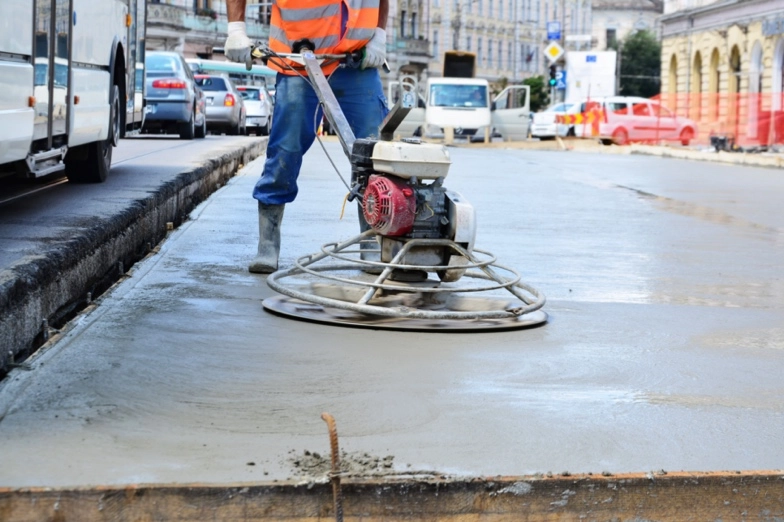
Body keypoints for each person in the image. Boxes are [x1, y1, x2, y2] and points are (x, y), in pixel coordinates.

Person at [225, 0, 389, 273]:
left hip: (355, 62)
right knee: (285, 152)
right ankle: (268, 243)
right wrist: (235, 29)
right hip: (297, 62)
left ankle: (371, 241)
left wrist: (379, 35)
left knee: (373, 157)